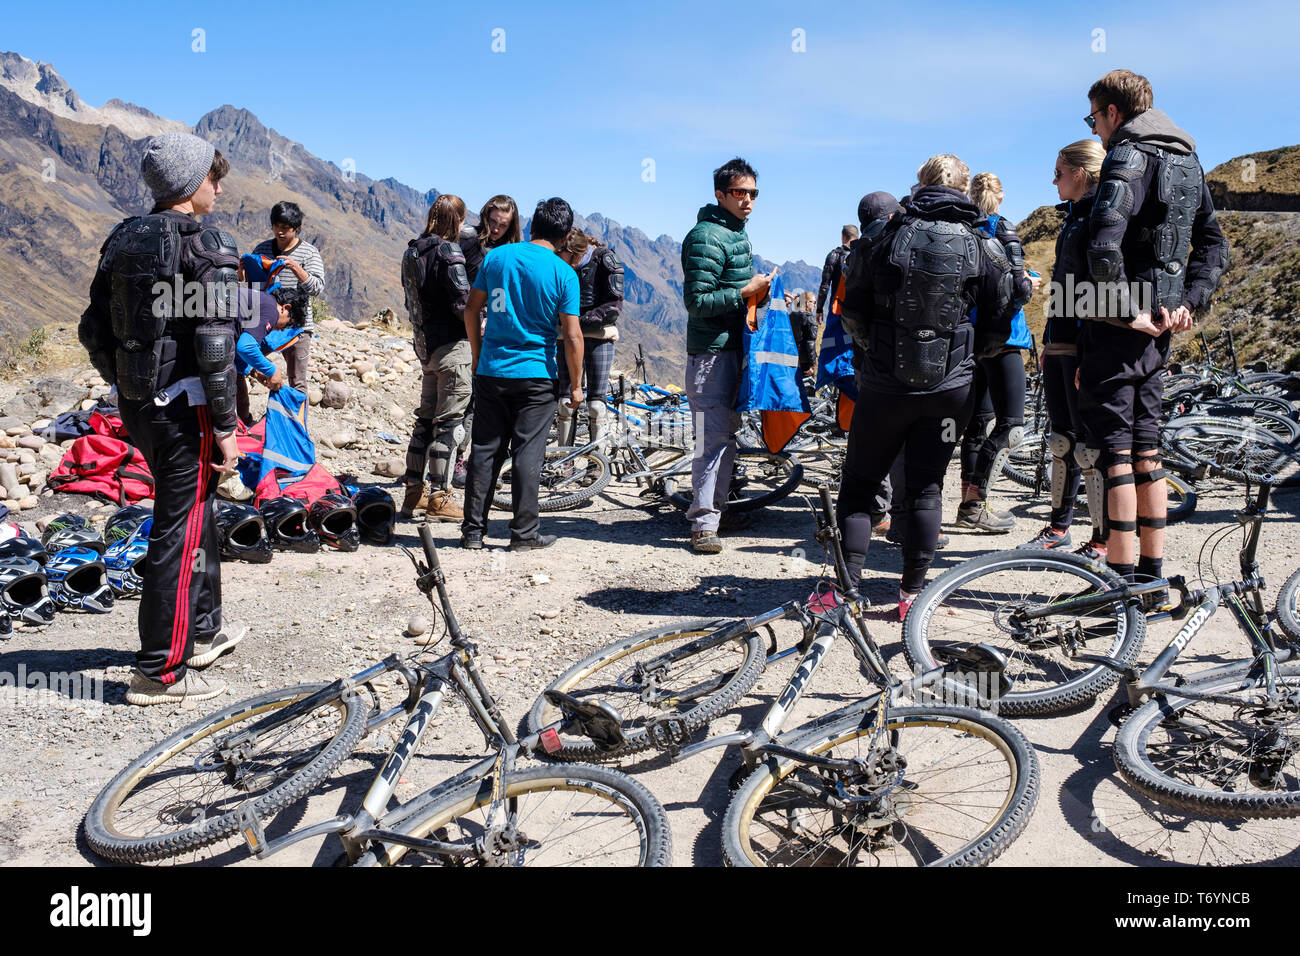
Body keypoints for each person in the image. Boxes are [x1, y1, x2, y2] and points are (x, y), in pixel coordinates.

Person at [78, 132, 246, 705]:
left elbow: (92, 329)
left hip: (140, 404)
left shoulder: (124, 239)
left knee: (195, 516)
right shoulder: (208, 246)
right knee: (181, 526)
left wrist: (128, 385)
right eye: (212, 178)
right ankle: (158, 669)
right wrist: (226, 428)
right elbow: (217, 350)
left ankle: (201, 631)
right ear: (188, 184)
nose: (218, 188)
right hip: (190, 409)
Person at [839, 154, 1017, 620]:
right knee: (926, 487)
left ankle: (844, 594)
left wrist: (873, 352)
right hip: (950, 389)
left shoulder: (885, 234)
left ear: (919, 184)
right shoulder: (984, 243)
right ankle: (912, 596)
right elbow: (1003, 314)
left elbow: (851, 306)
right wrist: (971, 358)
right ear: (964, 189)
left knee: (860, 484)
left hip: (883, 385)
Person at [1080, 70, 1228, 590]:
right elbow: (1214, 245)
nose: (1095, 129)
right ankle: (1152, 578)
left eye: (1094, 117)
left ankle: (1119, 587)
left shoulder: (1126, 155)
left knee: (1116, 454)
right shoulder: (1189, 160)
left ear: (1114, 113)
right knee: (1148, 451)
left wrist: (1123, 310)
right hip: (1161, 327)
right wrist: (1190, 302)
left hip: (1118, 329)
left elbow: (1104, 244)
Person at [460, 198, 583, 551]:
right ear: (563, 238)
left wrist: (477, 355)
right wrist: (576, 386)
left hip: (492, 369)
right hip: (537, 376)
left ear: (531, 227)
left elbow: (472, 310)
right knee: (529, 452)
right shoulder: (564, 273)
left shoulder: (497, 258)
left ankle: (472, 533)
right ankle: (524, 536)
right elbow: (572, 336)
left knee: (485, 450)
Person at [1020, 140, 1109, 552]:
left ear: (1080, 173)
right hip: (1059, 341)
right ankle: (1058, 529)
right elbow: (1064, 285)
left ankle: (1102, 537)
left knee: (1090, 447)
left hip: (1083, 342)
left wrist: (1086, 348)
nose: (1053, 180)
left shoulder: (1101, 217)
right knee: (1060, 441)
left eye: (1058, 172)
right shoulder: (1071, 218)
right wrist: (1051, 341)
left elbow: (1097, 287)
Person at [681, 157, 773, 554]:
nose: (748, 200)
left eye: (753, 193)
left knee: (726, 436)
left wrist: (758, 294)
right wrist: (744, 292)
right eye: (740, 192)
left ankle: (715, 513)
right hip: (711, 353)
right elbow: (696, 302)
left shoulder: (735, 234)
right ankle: (703, 524)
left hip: (734, 348)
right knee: (711, 437)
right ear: (720, 194)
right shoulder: (706, 236)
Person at [955, 173, 1038, 533]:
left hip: (973, 338)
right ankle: (976, 504)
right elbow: (1017, 287)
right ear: (1000, 199)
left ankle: (967, 504)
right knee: (1010, 426)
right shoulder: (1003, 229)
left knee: (977, 426)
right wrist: (1031, 283)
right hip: (1006, 337)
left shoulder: (964, 229)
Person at [399, 194, 473, 521]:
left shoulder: (412, 251)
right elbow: (461, 304)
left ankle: (413, 493)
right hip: (453, 349)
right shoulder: (449, 252)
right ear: (455, 220)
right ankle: (440, 498)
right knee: (450, 425)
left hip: (425, 348)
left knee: (424, 421)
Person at [556, 229, 624, 445]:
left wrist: (577, 322)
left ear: (576, 253)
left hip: (599, 337)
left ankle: (598, 465)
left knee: (596, 405)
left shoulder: (605, 260)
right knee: (565, 403)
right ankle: (563, 462)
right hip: (565, 337)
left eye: (565, 257)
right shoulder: (560, 264)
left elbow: (614, 306)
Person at [251, 201, 325, 392]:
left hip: (297, 328)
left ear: (296, 228)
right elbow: (253, 287)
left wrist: (296, 268)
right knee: (244, 363)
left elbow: (317, 288)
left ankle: (296, 421)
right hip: (266, 323)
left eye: (285, 228)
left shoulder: (309, 253)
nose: (280, 232)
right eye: (276, 226)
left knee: (298, 383)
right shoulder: (262, 249)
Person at [234, 286, 309, 426]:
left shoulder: (261, 300)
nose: (281, 329)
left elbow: (233, 349)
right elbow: (245, 347)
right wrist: (272, 370)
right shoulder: (271, 309)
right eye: (288, 324)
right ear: (285, 308)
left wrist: (253, 371)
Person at [815, 225, 858, 322]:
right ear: (857, 237)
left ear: (843, 237)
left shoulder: (834, 255)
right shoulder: (863, 255)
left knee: (832, 337)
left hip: (837, 307)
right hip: (858, 310)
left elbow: (825, 286)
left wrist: (819, 309)